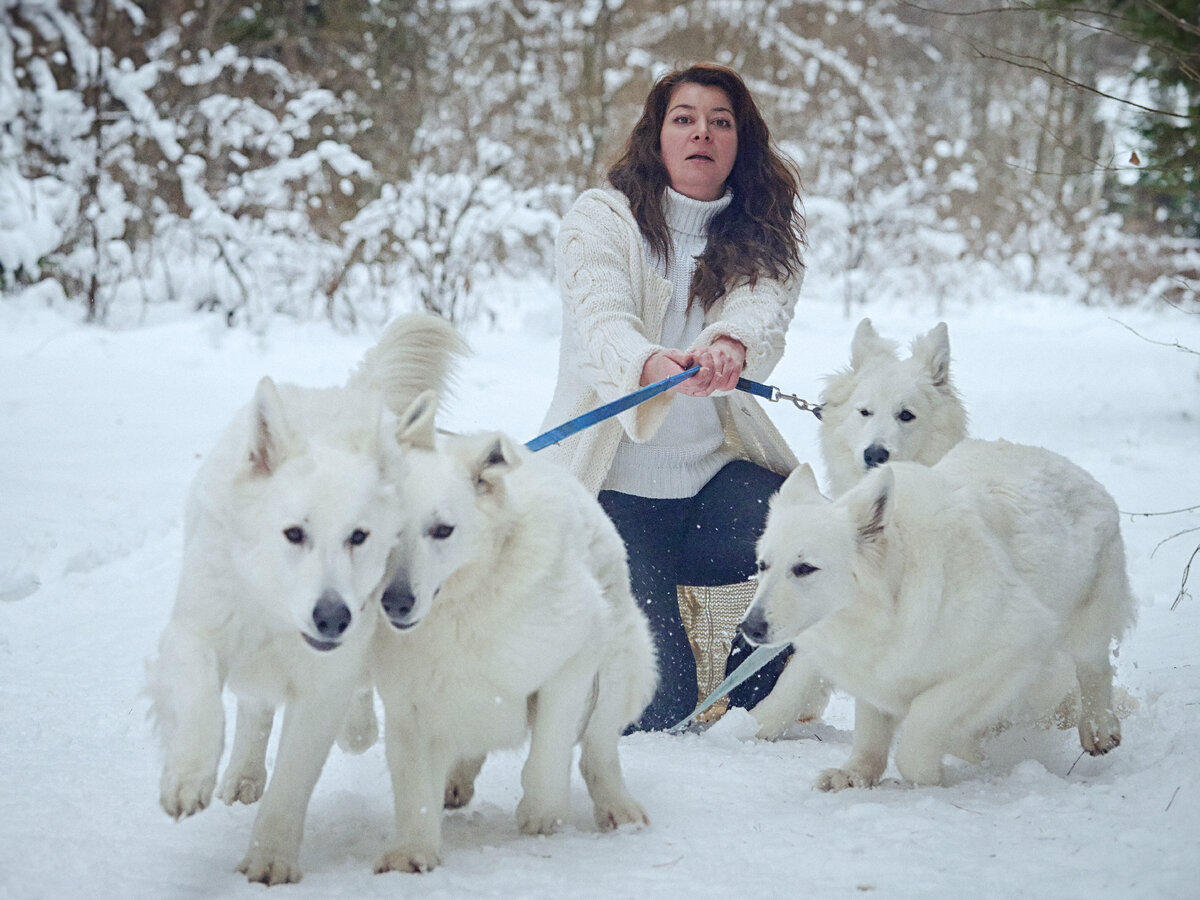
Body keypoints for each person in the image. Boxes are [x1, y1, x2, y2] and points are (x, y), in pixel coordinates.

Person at [538, 63, 807, 731]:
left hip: (711, 490)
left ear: (741, 142)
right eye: (683, 118)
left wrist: (729, 346)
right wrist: (651, 361)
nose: (702, 133)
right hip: (614, 502)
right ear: (656, 136)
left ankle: (755, 705)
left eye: (721, 122)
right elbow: (600, 323)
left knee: (811, 540)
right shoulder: (601, 219)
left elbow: (761, 310)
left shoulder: (764, 236)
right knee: (656, 710)